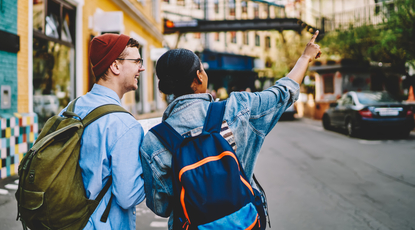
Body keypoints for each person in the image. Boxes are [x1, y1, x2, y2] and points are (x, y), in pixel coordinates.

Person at [140, 31, 322, 229]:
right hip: (243, 222)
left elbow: (162, 207)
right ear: (199, 77)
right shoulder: (238, 108)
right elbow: (282, 93)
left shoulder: (154, 140)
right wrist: (305, 57)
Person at [59, 33, 146, 230]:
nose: (141, 67)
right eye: (136, 61)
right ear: (115, 66)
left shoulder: (71, 108)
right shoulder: (124, 125)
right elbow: (128, 196)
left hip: (66, 222)